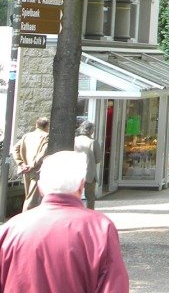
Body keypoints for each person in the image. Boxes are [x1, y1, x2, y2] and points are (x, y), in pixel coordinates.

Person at [0, 150, 129, 293]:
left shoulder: (11, 229)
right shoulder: (100, 228)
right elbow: (114, 286)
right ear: (81, 185)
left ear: (40, 188)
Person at [12, 116, 49, 211]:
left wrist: (21, 163)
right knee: (31, 199)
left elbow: (14, 149)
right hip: (37, 170)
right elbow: (43, 153)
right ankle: (24, 221)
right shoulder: (46, 136)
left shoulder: (26, 136)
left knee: (28, 196)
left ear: (36, 125)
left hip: (26, 170)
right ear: (46, 126)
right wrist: (31, 165)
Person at [74, 121, 99, 209]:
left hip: (75, 172)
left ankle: (76, 211)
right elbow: (98, 159)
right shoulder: (93, 142)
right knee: (90, 196)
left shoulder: (74, 140)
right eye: (93, 129)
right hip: (89, 173)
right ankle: (90, 212)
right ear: (90, 130)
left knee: (74, 195)